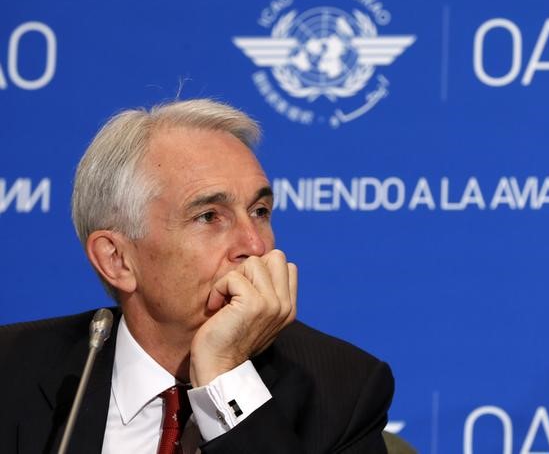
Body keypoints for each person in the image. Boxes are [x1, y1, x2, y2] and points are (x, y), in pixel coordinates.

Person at [0, 99, 394, 453]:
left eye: (260, 211)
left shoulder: (340, 390)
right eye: (209, 217)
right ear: (117, 259)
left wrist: (224, 374)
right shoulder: (11, 370)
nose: (255, 246)